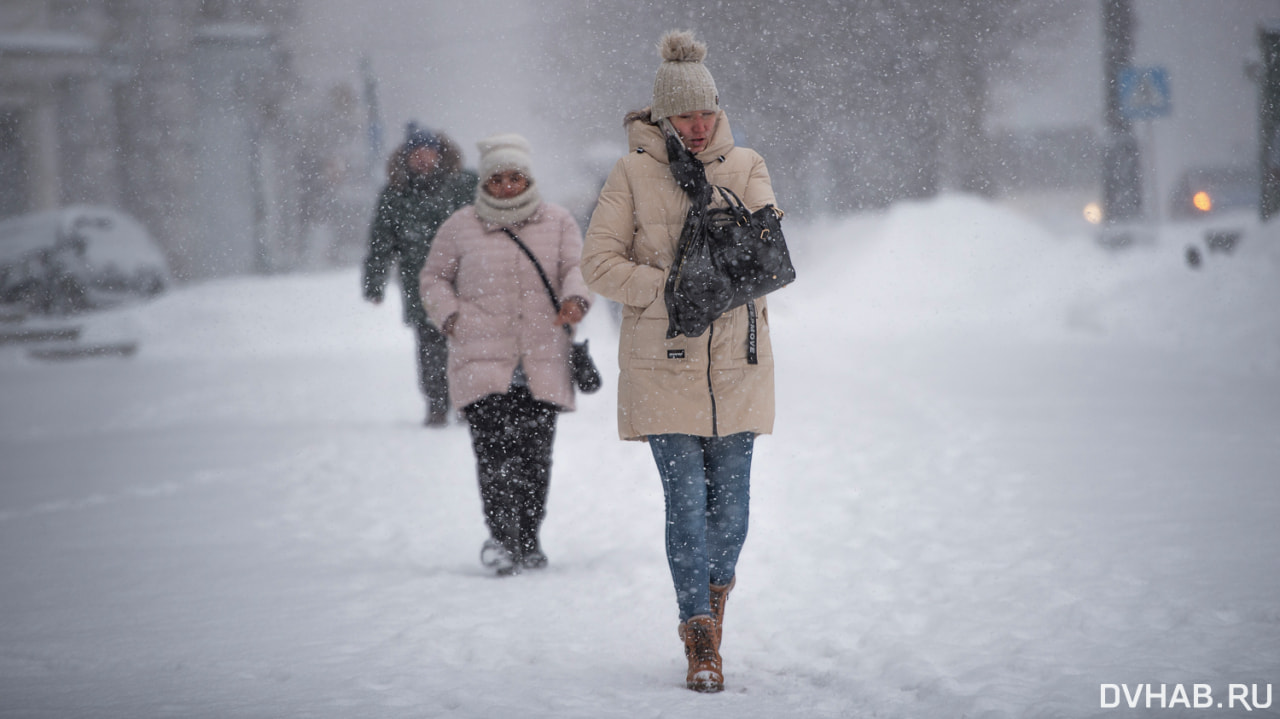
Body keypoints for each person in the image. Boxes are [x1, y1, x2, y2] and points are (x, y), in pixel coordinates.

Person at [580, 30, 781, 693]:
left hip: (736, 361)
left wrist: (725, 228)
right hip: (662, 360)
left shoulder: (746, 163)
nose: (696, 127)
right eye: (683, 116)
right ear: (663, 115)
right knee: (687, 506)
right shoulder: (631, 173)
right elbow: (598, 263)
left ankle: (715, 592)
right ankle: (698, 629)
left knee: (735, 511)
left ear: (717, 108)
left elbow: (766, 256)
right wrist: (663, 286)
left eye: (705, 113)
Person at [420, 133, 591, 575]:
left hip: (542, 356)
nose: (508, 186)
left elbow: (577, 267)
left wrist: (575, 298)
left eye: (516, 177)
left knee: (536, 457)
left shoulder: (558, 222)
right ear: (485, 182)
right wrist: (451, 316)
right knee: (493, 455)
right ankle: (501, 539)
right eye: (499, 178)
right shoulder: (460, 225)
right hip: (480, 359)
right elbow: (433, 278)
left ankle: (529, 537)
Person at [363, 124, 478, 426]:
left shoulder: (465, 185)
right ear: (407, 157)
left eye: (428, 152)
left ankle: (468, 403)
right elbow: (381, 241)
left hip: (465, 280)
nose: (423, 158)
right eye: (416, 153)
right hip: (420, 282)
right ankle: (437, 406)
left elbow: (495, 219)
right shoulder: (395, 194)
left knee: (467, 343)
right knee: (430, 347)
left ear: (440, 154)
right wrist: (374, 284)